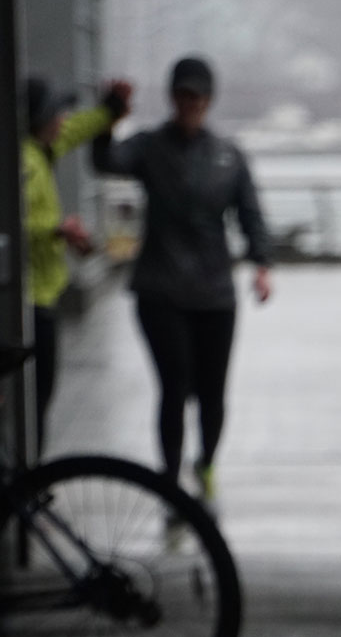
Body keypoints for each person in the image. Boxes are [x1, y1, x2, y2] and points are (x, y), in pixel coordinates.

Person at [92, 56, 272, 509]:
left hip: (214, 293)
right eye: (182, 95)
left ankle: (206, 463)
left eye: (197, 96)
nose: (190, 103)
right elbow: (106, 160)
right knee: (174, 386)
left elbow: (250, 214)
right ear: (172, 99)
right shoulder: (149, 147)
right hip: (161, 290)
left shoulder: (228, 156)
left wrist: (262, 265)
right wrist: (108, 115)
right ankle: (168, 478)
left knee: (212, 391)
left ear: (208, 101)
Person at [23, 76, 130, 452]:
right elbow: (11, 220)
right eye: (57, 114)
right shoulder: (25, 162)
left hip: (43, 294)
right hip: (28, 301)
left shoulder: (40, 149)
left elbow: (75, 131)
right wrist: (57, 229)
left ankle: (26, 480)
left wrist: (108, 111)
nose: (64, 120)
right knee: (33, 401)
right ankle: (27, 480)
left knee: (37, 399)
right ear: (39, 119)